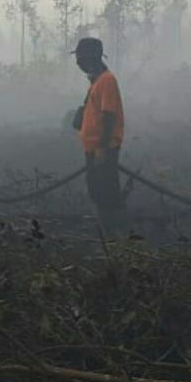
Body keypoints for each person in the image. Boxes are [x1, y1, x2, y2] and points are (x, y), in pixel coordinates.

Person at [71, 37, 127, 235]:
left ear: (90, 58)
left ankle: (114, 235)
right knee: (97, 192)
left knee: (106, 195)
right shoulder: (97, 81)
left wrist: (102, 150)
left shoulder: (107, 81)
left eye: (80, 59)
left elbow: (109, 117)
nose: (78, 64)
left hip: (103, 150)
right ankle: (107, 233)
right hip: (94, 149)